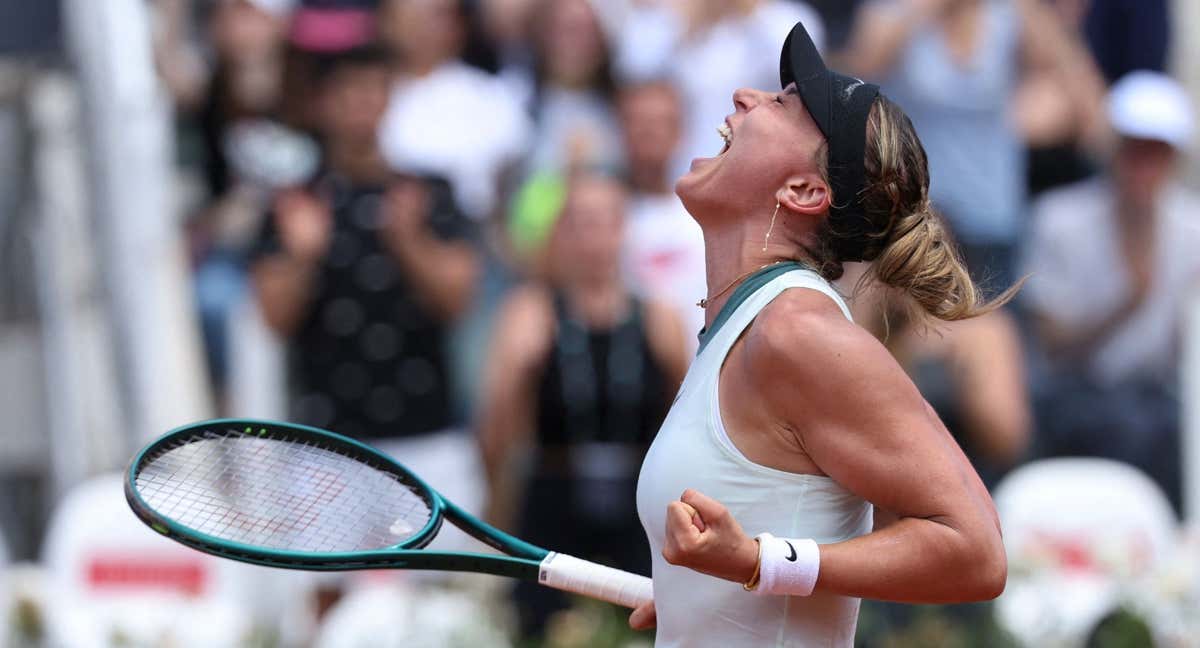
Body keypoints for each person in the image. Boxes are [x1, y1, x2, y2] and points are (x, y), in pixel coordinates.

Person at [628, 22, 1011, 645]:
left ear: (803, 190)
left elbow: (976, 551)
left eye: (782, 104)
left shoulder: (797, 333)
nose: (744, 98)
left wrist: (759, 563)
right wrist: (695, 597)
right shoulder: (746, 328)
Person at [249, 45, 482, 511]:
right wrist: (303, 256)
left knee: (441, 582)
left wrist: (410, 241)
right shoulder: (295, 203)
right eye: (348, 90)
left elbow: (459, 300)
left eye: (373, 89)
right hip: (325, 440)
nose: (361, 103)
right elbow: (273, 318)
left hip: (427, 433)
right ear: (323, 102)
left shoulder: (428, 193)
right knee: (326, 581)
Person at [478, 171, 688, 639]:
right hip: (555, 494)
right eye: (579, 223)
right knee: (542, 629)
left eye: (603, 221)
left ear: (623, 228)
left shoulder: (658, 316)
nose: (593, 237)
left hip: (637, 503)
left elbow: (689, 424)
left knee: (643, 629)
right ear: (561, 234)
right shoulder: (529, 312)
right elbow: (495, 430)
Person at [1021, 71, 1199, 509]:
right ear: (1114, 151)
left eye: (1157, 154)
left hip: (1159, 397)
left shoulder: (1191, 227)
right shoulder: (1059, 219)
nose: (1144, 167)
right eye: (1135, 150)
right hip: (1076, 395)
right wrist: (1127, 302)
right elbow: (1051, 343)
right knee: (1128, 427)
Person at [839, 0, 1104, 291]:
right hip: (911, 218)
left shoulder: (1012, 13)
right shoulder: (893, 9)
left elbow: (1082, 94)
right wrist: (925, 9)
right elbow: (861, 71)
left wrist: (1041, 112)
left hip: (990, 216)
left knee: (990, 328)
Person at [376, 0, 530, 221]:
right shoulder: (366, 93)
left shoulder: (492, 98)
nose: (422, 27)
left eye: (436, 16)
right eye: (413, 14)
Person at [618, 80, 708, 344]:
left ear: (680, 132)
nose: (649, 132)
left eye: (660, 122)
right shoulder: (596, 216)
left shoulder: (706, 213)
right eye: (638, 121)